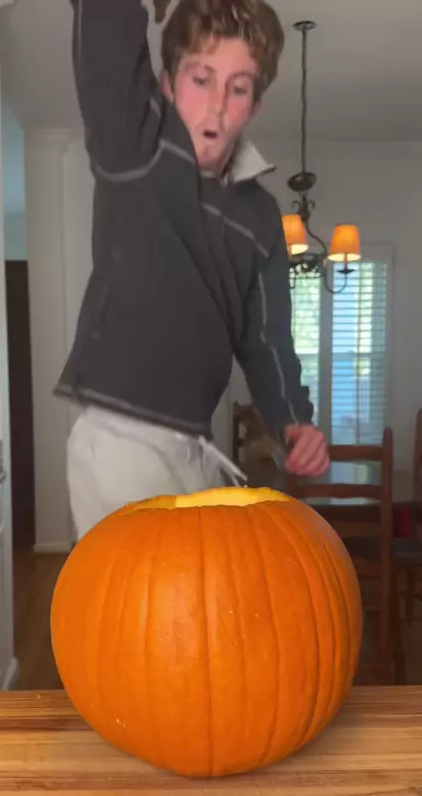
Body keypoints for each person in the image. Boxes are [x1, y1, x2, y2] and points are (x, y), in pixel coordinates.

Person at [55, 0, 329, 540]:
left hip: (198, 446)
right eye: (201, 79)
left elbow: (266, 339)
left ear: (254, 105)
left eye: (238, 88)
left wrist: (294, 421)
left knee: (220, 590)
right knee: (142, 596)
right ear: (166, 85)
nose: (217, 106)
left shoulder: (262, 216)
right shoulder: (137, 147)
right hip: (122, 442)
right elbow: (107, 46)